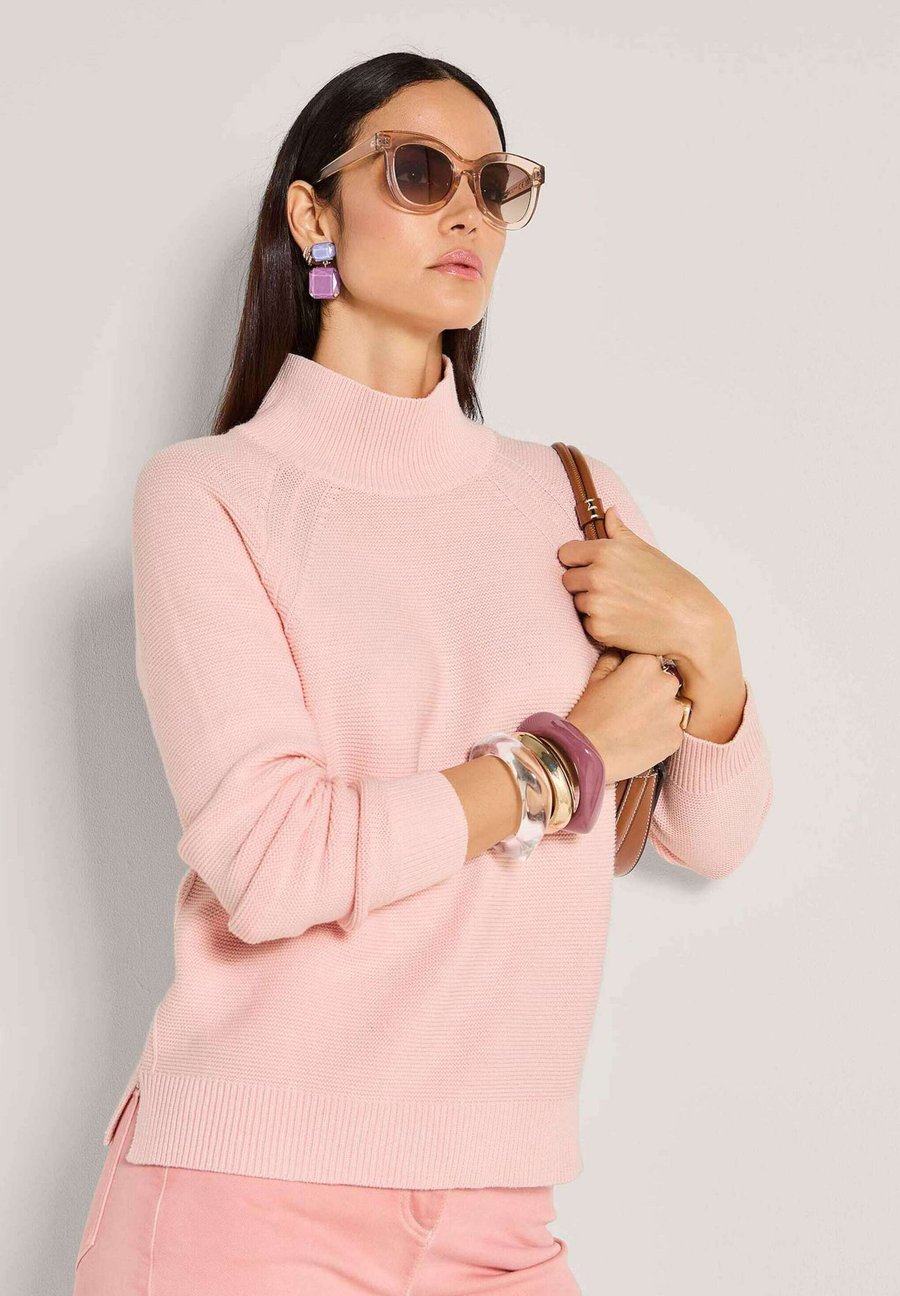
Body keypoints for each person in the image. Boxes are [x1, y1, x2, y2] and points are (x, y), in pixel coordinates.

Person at [72, 49, 773, 1296]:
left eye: (493, 184)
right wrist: (565, 759)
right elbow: (275, 864)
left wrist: (711, 642)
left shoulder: (572, 495)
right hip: (251, 1193)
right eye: (417, 171)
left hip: (501, 1211)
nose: (468, 211)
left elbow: (710, 835)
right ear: (313, 214)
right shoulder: (213, 494)